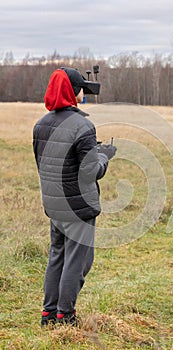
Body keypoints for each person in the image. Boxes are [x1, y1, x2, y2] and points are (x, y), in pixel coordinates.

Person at [33, 67, 116, 326]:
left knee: (57, 255)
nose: (83, 92)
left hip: (54, 205)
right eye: (80, 88)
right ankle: (65, 316)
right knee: (77, 261)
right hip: (79, 206)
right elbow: (92, 172)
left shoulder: (40, 125)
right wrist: (105, 154)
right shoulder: (83, 126)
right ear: (72, 91)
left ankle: (49, 314)